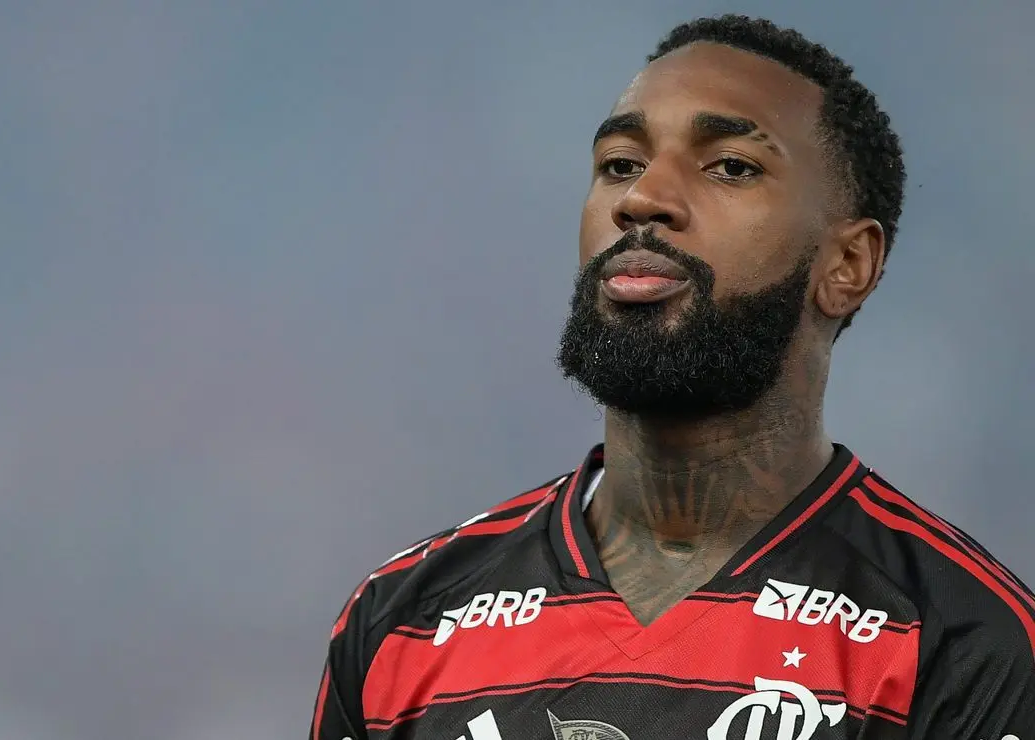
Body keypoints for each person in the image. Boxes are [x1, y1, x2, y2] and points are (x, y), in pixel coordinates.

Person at [309, 14, 1034, 740]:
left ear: (847, 265)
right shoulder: (402, 622)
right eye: (621, 164)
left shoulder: (960, 641)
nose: (642, 199)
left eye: (731, 167)